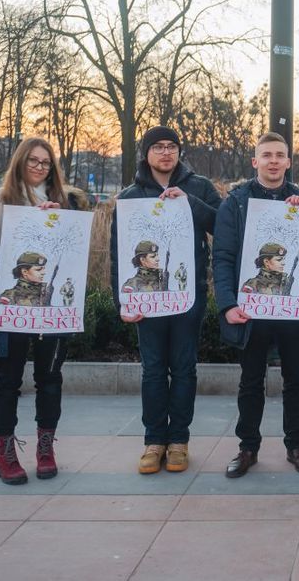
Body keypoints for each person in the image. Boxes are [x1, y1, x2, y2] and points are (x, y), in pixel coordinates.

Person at [0, 137, 89, 485]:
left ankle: (45, 449)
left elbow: (74, 257)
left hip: (52, 313)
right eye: (33, 161)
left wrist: (60, 220)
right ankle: (5, 454)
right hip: (11, 313)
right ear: (20, 162)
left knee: (50, 380)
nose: (39, 167)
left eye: (46, 162)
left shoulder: (67, 203)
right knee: (7, 382)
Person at [111, 126, 222, 475]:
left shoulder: (198, 186)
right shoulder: (130, 195)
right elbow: (117, 253)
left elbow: (222, 225)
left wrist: (190, 203)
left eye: (171, 146)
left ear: (179, 152)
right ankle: (153, 440)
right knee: (153, 369)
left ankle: (179, 441)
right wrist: (122, 303)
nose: (165, 153)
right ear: (146, 153)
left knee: (185, 367)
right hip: (146, 299)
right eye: (157, 147)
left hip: (188, 296)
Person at [214, 132, 299, 478]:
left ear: (289, 162)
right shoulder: (237, 202)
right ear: (255, 161)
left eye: (280, 155)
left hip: (291, 310)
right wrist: (227, 304)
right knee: (250, 381)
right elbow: (224, 257)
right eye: (267, 155)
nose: (274, 160)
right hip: (251, 309)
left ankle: (296, 446)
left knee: (296, 381)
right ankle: (247, 448)